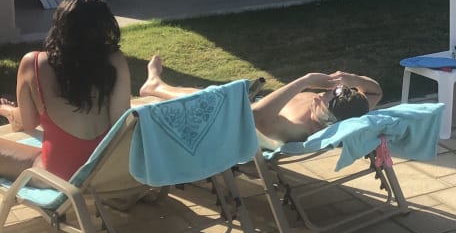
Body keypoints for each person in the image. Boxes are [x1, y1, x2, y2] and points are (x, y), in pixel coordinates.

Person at [3, 0, 133, 177]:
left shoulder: (33, 62)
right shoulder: (115, 59)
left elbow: (28, 122)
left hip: (60, 173)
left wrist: (7, 110)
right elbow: (121, 122)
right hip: (105, 170)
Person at [142, 60, 378, 142]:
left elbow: (255, 116)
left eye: (325, 94)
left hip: (233, 120)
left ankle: (155, 86)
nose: (321, 93)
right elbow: (375, 92)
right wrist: (353, 79)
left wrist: (305, 81)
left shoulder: (300, 128)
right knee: (214, 93)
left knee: (209, 97)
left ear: (325, 109)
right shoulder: (349, 109)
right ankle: (156, 85)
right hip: (253, 102)